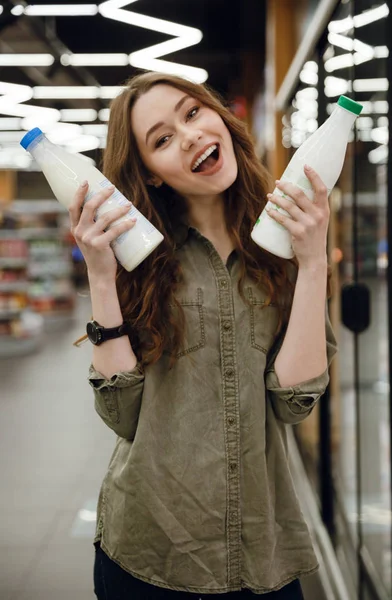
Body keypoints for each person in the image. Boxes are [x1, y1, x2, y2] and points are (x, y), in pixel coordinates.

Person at [69, 71, 337, 599]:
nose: (188, 135)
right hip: (151, 553)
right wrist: (100, 275)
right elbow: (121, 416)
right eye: (162, 139)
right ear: (154, 175)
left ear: (219, 117)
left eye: (192, 113)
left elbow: (294, 404)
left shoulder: (279, 243)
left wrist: (312, 265)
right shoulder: (136, 257)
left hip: (263, 550)